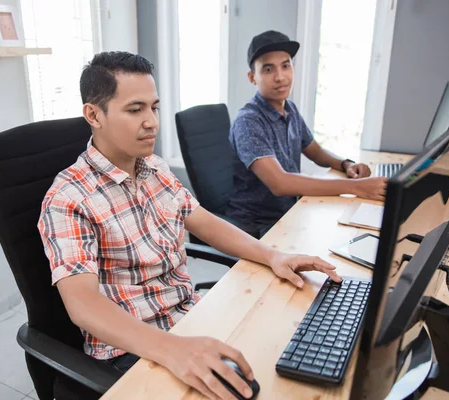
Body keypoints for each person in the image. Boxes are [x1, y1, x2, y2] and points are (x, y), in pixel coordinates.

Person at [38, 51, 342, 400]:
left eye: (154, 107)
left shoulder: (153, 167)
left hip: (190, 316)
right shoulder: (69, 198)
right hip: (132, 350)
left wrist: (272, 255)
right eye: (135, 110)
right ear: (94, 114)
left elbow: (205, 222)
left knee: (289, 347)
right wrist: (172, 349)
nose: (152, 121)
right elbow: (83, 305)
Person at [227, 30, 387, 238]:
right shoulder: (249, 121)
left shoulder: (289, 109)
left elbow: (316, 151)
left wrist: (346, 164)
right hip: (257, 226)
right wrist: (357, 187)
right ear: (252, 77)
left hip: (290, 211)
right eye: (268, 69)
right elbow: (280, 183)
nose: (280, 77)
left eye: (286, 66)